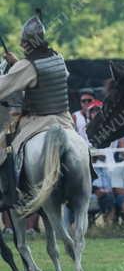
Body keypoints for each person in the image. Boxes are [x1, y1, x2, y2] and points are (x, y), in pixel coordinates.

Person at [0, 15, 76, 209]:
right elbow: (45, 79)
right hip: (65, 121)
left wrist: (14, 67)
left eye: (23, 42)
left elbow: (4, 87)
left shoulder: (26, 66)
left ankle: (13, 193)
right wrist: (17, 63)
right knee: (80, 146)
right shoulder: (57, 58)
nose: (21, 44)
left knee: (8, 147)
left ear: (26, 43)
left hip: (38, 121)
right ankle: (89, 174)